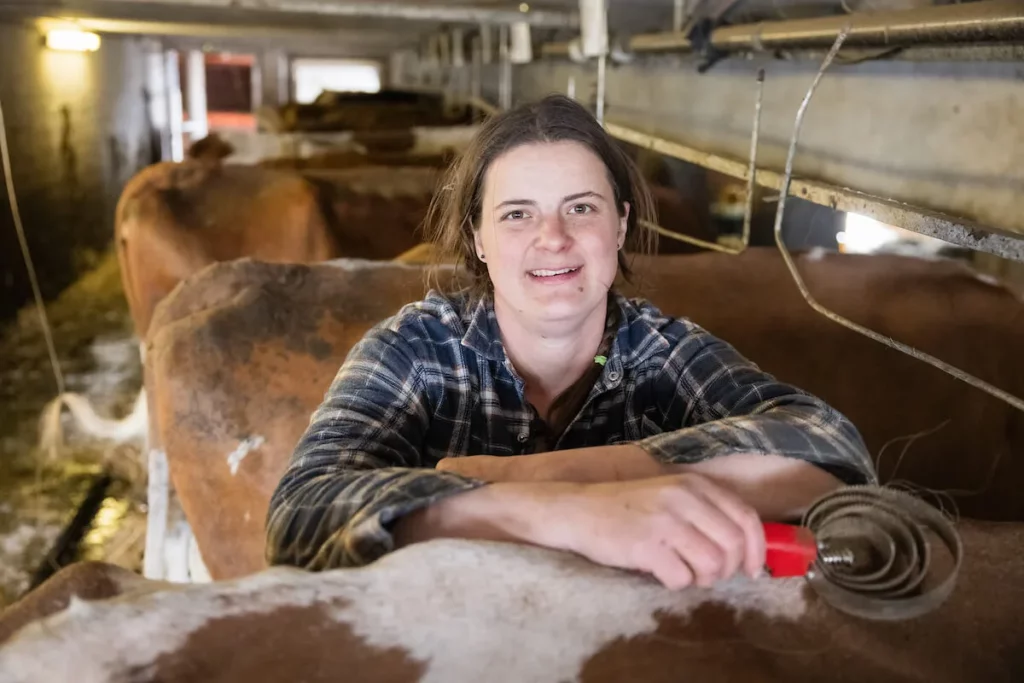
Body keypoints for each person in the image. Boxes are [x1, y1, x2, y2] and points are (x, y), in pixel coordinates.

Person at [266, 94, 877, 590]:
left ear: (621, 226)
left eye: (581, 208)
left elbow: (832, 448)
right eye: (517, 214)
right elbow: (299, 514)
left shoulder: (660, 350)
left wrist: (566, 473)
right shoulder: (415, 349)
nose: (553, 237)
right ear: (477, 238)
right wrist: (569, 512)